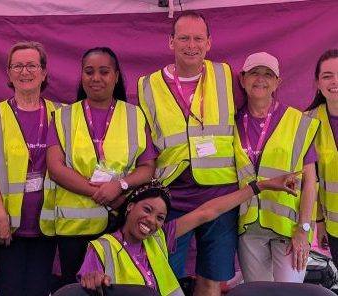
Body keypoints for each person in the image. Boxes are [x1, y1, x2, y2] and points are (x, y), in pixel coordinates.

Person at [137, 11, 237, 296]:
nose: (190, 45)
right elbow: (144, 141)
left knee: (211, 278)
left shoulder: (227, 76)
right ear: (171, 42)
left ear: (209, 42)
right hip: (171, 197)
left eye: (197, 38)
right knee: (165, 277)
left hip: (220, 194)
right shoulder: (147, 85)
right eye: (183, 38)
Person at [78, 175, 301, 296]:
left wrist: (260, 186)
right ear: (130, 206)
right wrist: (92, 280)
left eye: (160, 217)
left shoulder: (159, 238)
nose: (152, 221)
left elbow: (208, 211)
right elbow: (88, 282)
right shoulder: (101, 247)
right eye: (147, 210)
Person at [46, 47, 157, 287]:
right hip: (75, 230)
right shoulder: (64, 116)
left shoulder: (134, 115)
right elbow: (55, 168)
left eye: (104, 72)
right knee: (79, 290)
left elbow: (148, 167)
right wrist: (102, 194)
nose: (96, 78)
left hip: (120, 226)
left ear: (116, 76)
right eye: (89, 72)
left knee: (118, 287)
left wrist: (120, 185)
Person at [0, 41, 61, 296]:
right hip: (8, 226)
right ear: (9, 73)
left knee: (39, 289)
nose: (25, 72)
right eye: (18, 66)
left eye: (32, 65)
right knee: (9, 289)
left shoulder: (61, 115)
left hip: (48, 223)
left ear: (44, 72)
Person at [235, 51, 319, 282]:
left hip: (289, 230)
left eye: (268, 75)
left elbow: (311, 183)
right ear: (242, 79)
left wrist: (303, 229)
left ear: (277, 83)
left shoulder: (297, 122)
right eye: (254, 73)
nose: (260, 79)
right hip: (249, 229)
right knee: (259, 293)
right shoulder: (230, 123)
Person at [306, 49, 338, 269]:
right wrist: (319, 222)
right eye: (327, 76)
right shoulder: (307, 122)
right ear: (317, 83)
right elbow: (311, 180)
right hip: (335, 228)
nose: (335, 81)